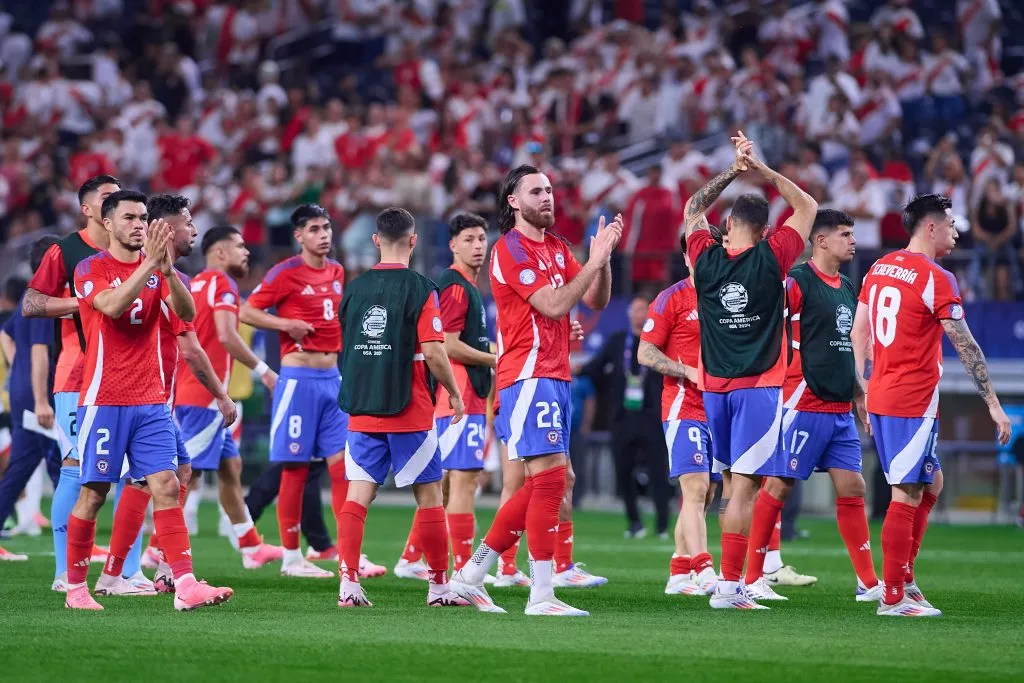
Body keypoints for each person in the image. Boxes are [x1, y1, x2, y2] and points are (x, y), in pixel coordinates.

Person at [451, 164, 622, 616]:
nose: (547, 197)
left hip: (555, 375)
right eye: (536, 191)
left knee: (553, 479)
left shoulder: (556, 247)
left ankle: (470, 575)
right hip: (527, 375)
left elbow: (595, 301)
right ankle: (540, 595)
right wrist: (591, 262)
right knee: (547, 482)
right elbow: (554, 303)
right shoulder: (510, 250)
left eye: (549, 190)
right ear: (513, 201)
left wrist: (599, 262)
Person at [65, 189, 232, 611]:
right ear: (107, 223)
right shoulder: (91, 268)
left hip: (152, 402)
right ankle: (76, 589)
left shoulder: (159, 269)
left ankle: (185, 584)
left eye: (143, 218)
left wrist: (168, 271)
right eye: (129, 218)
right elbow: (114, 306)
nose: (138, 224)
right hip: (104, 400)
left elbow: (187, 313)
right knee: (95, 493)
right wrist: (150, 268)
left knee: (168, 484)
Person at [851, 193, 1011, 617]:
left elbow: (859, 333)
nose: (957, 232)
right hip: (911, 398)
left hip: (885, 392)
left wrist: (862, 386)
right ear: (931, 227)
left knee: (932, 484)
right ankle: (892, 596)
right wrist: (993, 403)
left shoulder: (878, 267)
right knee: (905, 494)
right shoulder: (937, 278)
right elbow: (965, 344)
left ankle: (904, 578)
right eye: (952, 224)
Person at [682, 131, 816, 610]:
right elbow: (808, 208)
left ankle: (726, 582)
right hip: (759, 387)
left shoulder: (704, 254)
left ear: (727, 224)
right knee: (745, 488)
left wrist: (732, 171)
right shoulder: (772, 256)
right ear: (763, 230)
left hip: (714, 390)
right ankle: (732, 587)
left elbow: (692, 208)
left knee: (727, 488)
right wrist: (761, 167)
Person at [741, 209, 881, 603]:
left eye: (852, 234)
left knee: (853, 486)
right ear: (820, 241)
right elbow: (764, 323)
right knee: (779, 485)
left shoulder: (847, 287)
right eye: (844, 234)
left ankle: (868, 583)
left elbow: (845, 346)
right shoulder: (796, 282)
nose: (852, 240)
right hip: (803, 399)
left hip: (839, 407)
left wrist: (858, 394)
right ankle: (752, 577)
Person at [335, 207, 470, 608]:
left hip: (362, 406)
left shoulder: (354, 289)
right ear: (413, 241)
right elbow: (433, 350)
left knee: (357, 495)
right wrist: (454, 392)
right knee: (429, 496)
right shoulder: (421, 287)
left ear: (375, 241)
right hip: (408, 407)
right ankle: (439, 588)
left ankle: (348, 584)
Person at [241, 204, 384, 579]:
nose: (324, 235)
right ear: (299, 236)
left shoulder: (337, 272)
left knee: (342, 470)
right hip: (299, 380)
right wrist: (285, 323)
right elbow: (247, 311)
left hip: (332, 379)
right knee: (295, 469)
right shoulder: (284, 272)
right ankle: (291, 558)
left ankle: (347, 555)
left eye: (326, 228)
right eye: (315, 229)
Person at [23, 175, 121, 588]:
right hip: (79, 377)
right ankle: (65, 572)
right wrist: (84, 305)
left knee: (125, 475)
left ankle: (123, 573)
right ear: (87, 209)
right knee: (76, 469)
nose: (118, 203)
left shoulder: (129, 250)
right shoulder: (66, 251)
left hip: (125, 376)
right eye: (108, 198)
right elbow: (31, 303)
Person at [172, 223, 282, 569]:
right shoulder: (223, 283)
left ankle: (250, 546)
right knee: (187, 477)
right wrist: (263, 370)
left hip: (193, 391)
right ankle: (160, 549)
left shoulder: (194, 283)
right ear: (220, 253)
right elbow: (226, 335)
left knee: (230, 467)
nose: (246, 252)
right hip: (204, 396)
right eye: (239, 246)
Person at [393, 212, 494, 581]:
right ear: (452, 245)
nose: (477, 245)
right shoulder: (454, 286)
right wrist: (496, 358)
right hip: (459, 396)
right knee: (464, 479)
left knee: (447, 484)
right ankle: (465, 571)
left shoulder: (467, 284)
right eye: (468, 239)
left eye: (482, 238)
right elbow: (447, 345)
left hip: (461, 396)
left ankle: (410, 558)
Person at [637, 237, 722, 597]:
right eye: (699, 252)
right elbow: (645, 352)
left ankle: (678, 571)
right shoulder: (671, 297)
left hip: (720, 407)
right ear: (687, 256)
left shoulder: (727, 296)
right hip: (683, 406)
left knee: (706, 495)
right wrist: (684, 371)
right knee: (695, 488)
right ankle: (703, 568)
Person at [586, 294, 670, 539]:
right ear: (629, 314)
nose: (638, 314)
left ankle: (662, 525)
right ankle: (634, 523)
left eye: (642, 309)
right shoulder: (618, 341)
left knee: (658, 473)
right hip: (622, 417)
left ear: (649, 313)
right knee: (623, 471)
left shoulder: (659, 343)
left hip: (652, 417)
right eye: (634, 310)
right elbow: (595, 368)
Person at [0, 237, 62, 545]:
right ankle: (78, 539)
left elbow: (6, 335)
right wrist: (40, 399)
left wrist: (17, 369)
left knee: (23, 465)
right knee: (64, 464)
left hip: (24, 391)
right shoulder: (46, 296)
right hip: (41, 395)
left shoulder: (29, 294)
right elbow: (39, 350)